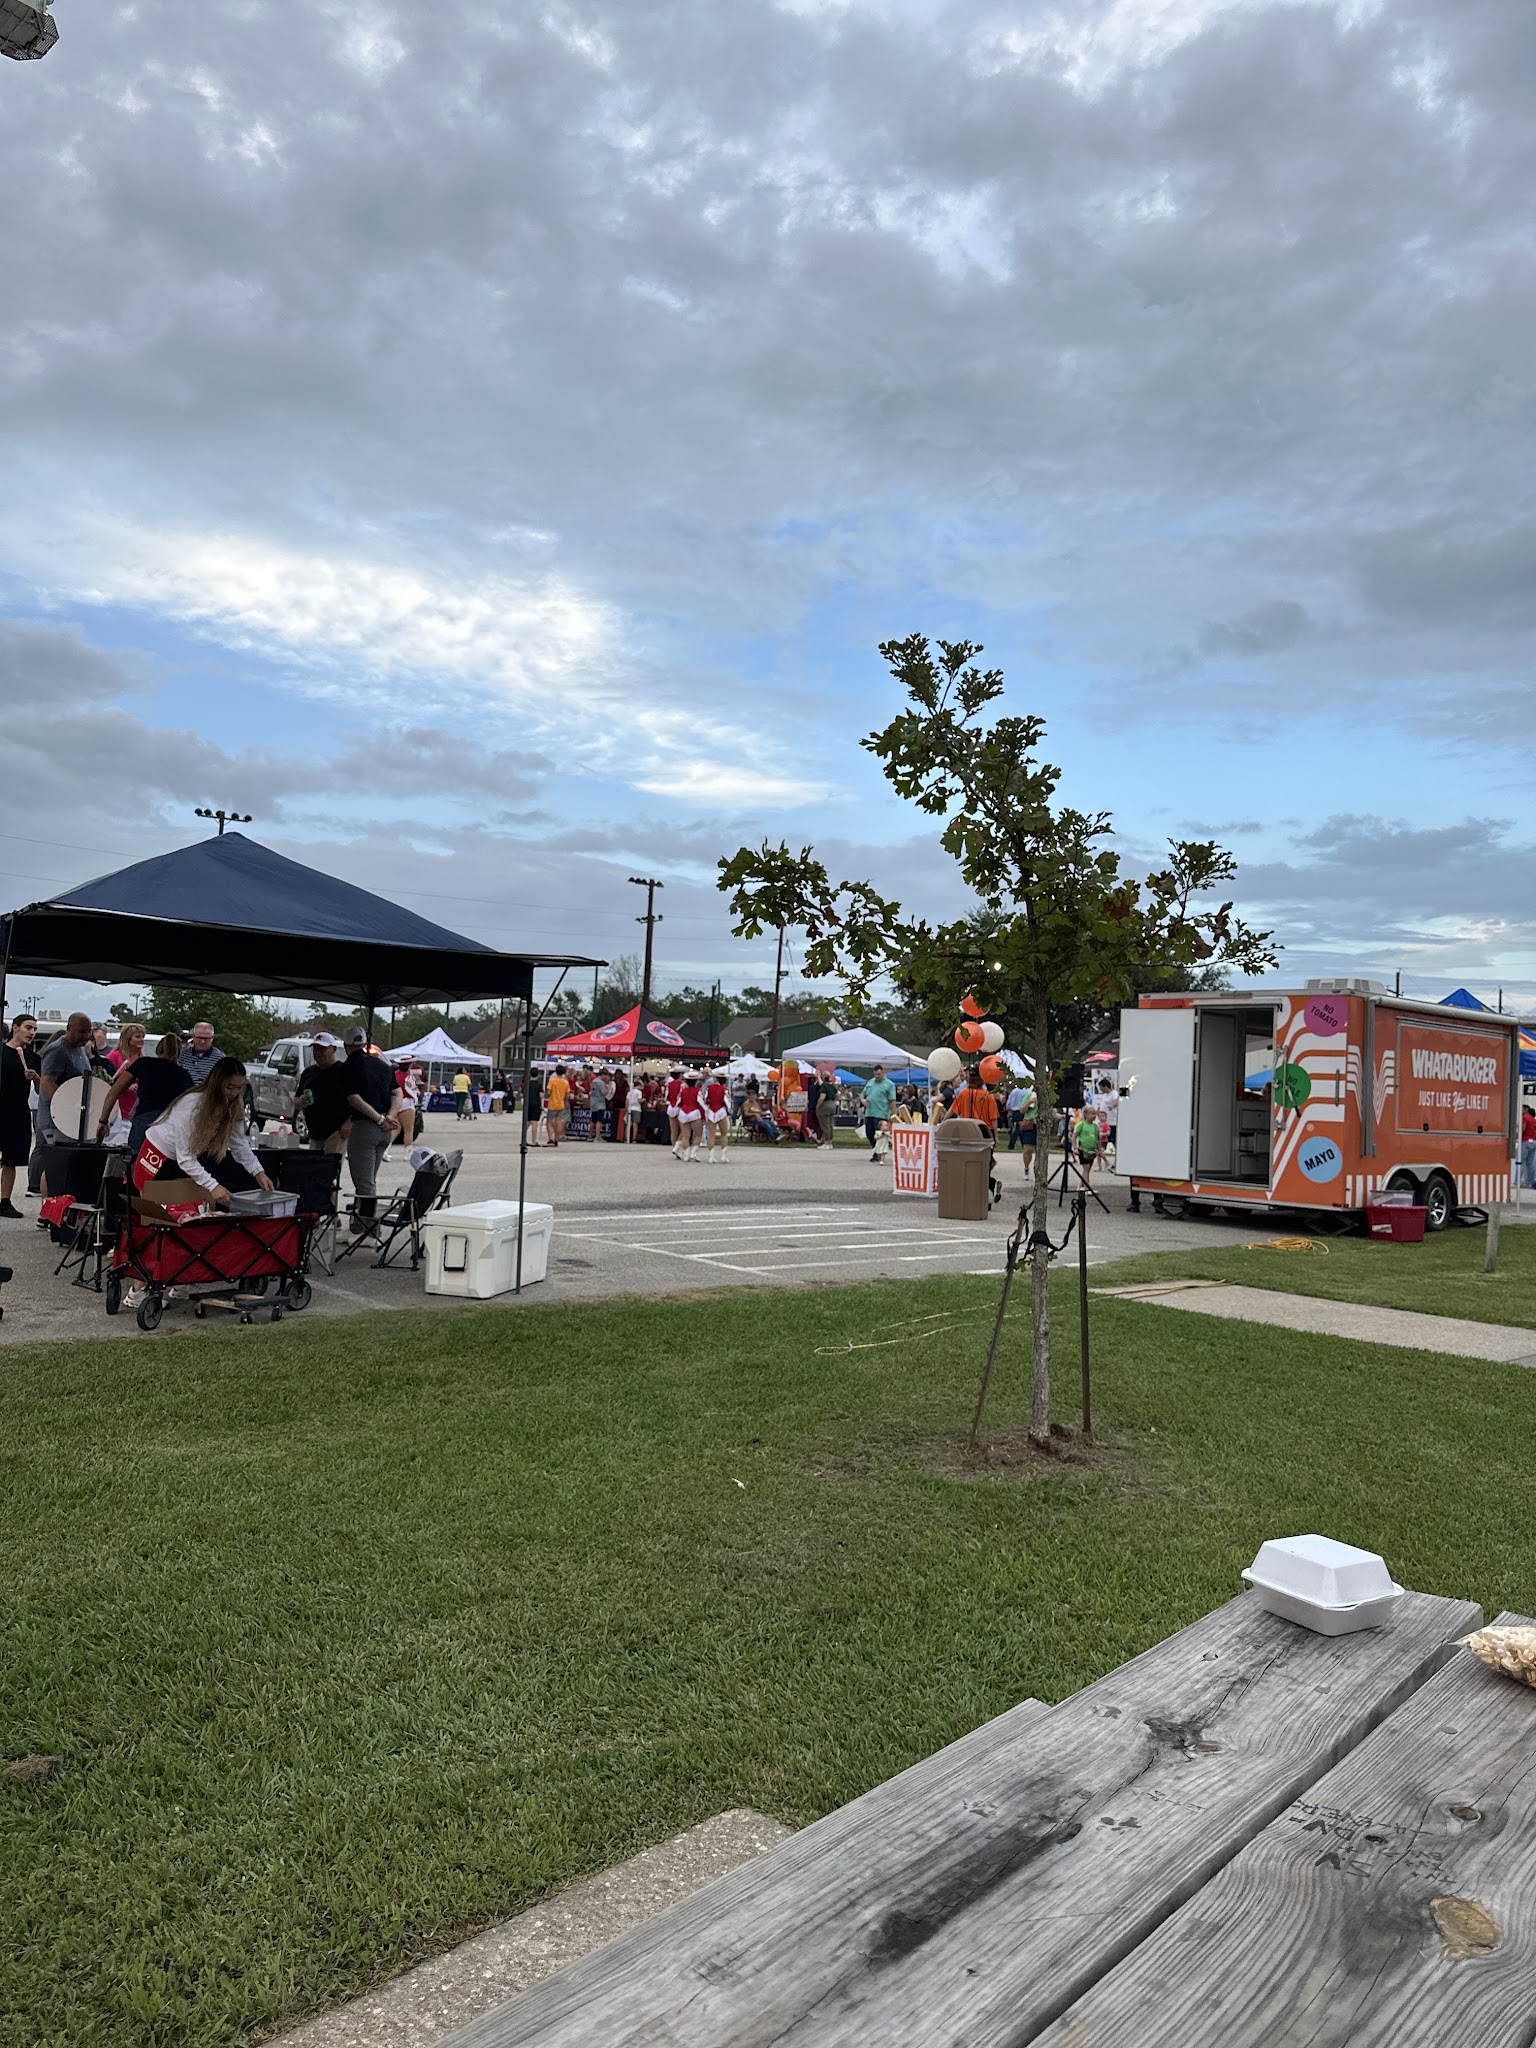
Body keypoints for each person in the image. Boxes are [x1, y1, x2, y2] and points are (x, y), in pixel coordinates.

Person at [136, 1057, 275, 1207]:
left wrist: (258, 1172)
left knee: (189, 1210)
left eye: (239, 1088)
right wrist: (213, 1186)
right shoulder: (192, 1104)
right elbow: (185, 1157)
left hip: (184, 1158)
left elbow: (239, 1144)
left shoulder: (235, 1105)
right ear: (217, 1083)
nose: (234, 1093)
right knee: (159, 1210)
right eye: (229, 1087)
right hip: (158, 1154)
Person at [95, 1031, 194, 1164]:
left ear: (159, 1049)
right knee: (165, 1168)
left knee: (136, 1165)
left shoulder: (144, 1063)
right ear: (179, 1052)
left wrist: (103, 1121)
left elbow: (114, 1092)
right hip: (170, 1125)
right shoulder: (184, 1075)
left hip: (144, 1121)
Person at [341, 1025, 400, 1236]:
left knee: (364, 1184)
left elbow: (353, 1098)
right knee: (369, 1180)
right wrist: (390, 1116)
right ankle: (358, 1227)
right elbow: (397, 1093)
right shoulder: (382, 1064)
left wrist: (378, 1118)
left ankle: (370, 1229)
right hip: (385, 1131)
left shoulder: (349, 1066)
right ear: (365, 1043)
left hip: (365, 1128)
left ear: (346, 1045)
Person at [34, 1010, 96, 1194]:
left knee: (70, 1166)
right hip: (56, 1121)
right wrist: (66, 1107)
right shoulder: (58, 1050)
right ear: (68, 1028)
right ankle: (49, 1206)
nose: (85, 1036)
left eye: (88, 1032)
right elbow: (47, 1082)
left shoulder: (80, 1050)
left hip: (75, 1120)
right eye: (81, 1031)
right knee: (56, 1166)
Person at [0, 1014, 40, 1217]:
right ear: (15, 1028)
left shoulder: (33, 1058)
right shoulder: (3, 1053)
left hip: (18, 1113)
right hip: (1, 1109)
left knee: (11, 1159)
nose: (32, 1032)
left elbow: (42, 1090)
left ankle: (5, 1201)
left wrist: (36, 1077)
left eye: (34, 1029)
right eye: (28, 1027)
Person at [294, 1033, 350, 1157]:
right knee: (314, 1166)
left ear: (333, 1049)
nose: (318, 1053)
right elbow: (296, 1100)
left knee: (330, 1166)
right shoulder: (308, 1073)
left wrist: (348, 1124)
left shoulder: (344, 1071)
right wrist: (301, 1102)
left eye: (322, 1049)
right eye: (315, 1049)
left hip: (336, 1132)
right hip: (315, 1132)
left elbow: (358, 1100)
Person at [106, 1023, 146, 1131]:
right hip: (117, 1109)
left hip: (133, 1110)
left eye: (143, 1037)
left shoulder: (142, 1059)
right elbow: (106, 1081)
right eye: (137, 1037)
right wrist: (126, 1087)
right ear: (128, 1038)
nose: (142, 1040)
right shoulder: (114, 1056)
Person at [861, 1065, 896, 1162]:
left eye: (878, 1074)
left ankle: (878, 1154)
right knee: (869, 1133)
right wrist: (863, 1100)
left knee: (879, 1134)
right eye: (875, 1074)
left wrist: (893, 1115)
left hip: (881, 1113)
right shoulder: (870, 1082)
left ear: (883, 1073)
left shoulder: (889, 1084)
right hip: (869, 1112)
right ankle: (876, 1150)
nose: (876, 1076)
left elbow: (892, 1101)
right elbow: (863, 1094)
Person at [178, 1021, 223, 1087]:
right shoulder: (182, 1055)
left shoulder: (220, 1059)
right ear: (193, 1036)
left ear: (212, 1038)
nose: (202, 1041)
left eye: (206, 1038)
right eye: (199, 1038)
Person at [702, 1069, 731, 1161]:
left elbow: (705, 1099)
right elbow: (727, 1103)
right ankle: (724, 1156)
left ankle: (711, 1156)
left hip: (711, 1111)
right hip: (721, 1111)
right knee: (724, 1134)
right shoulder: (724, 1090)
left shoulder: (709, 1088)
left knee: (711, 1135)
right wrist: (729, 1110)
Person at [675, 1071, 704, 1160]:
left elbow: (679, 1103)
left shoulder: (683, 1091)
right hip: (695, 1112)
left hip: (684, 1113)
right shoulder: (698, 1091)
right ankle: (694, 1154)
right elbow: (701, 1104)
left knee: (685, 1136)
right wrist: (703, 1117)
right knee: (698, 1135)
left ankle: (686, 1155)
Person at [741, 1077, 780, 1141]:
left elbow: (760, 1112)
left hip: (759, 1118)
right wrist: (754, 1114)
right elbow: (746, 1114)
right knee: (766, 1125)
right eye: (751, 1095)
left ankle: (778, 1137)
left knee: (771, 1123)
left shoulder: (755, 1102)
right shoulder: (746, 1103)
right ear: (748, 1096)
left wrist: (768, 1113)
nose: (752, 1097)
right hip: (751, 1120)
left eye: (753, 1095)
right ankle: (774, 1139)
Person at [1094, 1077, 1120, 1164]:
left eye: (1101, 1087)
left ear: (1105, 1086)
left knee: (1113, 1142)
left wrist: (1112, 1106)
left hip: (1112, 1122)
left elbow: (1116, 1101)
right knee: (1101, 1143)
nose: (1100, 1089)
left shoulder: (1114, 1093)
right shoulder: (1105, 1095)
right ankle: (1103, 1162)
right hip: (1103, 1122)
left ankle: (1116, 1161)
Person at [544, 1064, 571, 1144]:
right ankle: (556, 1138)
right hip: (561, 1104)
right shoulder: (565, 1082)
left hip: (552, 1104)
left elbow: (548, 1092)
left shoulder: (552, 1081)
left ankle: (550, 1138)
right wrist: (566, 1102)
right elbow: (567, 1094)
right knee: (558, 1121)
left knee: (549, 1121)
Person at [1074, 1105, 1102, 1182]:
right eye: (1092, 1114)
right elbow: (1074, 1136)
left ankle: (1081, 1185)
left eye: (1095, 1114)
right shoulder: (1081, 1124)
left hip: (1092, 1151)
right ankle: (1087, 1187)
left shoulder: (1096, 1127)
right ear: (1086, 1114)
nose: (1094, 1116)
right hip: (1083, 1150)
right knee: (1086, 1168)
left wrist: (1099, 1150)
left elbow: (1098, 1139)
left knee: (1087, 1170)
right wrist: (1075, 1148)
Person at [590, 1066, 611, 1140]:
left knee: (593, 1120)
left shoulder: (594, 1081)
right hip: (600, 1103)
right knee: (599, 1120)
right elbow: (604, 1093)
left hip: (593, 1102)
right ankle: (597, 1136)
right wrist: (609, 1088)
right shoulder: (601, 1083)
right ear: (603, 1075)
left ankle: (590, 1135)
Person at [664, 1068, 684, 1149]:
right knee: (683, 1130)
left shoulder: (669, 1084)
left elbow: (667, 1097)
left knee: (673, 1131)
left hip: (671, 1107)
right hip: (679, 1107)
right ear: (680, 1075)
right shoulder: (682, 1085)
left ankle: (674, 1147)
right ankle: (677, 1147)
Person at [816, 1077, 838, 1146]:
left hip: (825, 1105)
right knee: (830, 1124)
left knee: (825, 1125)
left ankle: (826, 1142)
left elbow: (822, 1097)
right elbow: (837, 1095)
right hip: (832, 1105)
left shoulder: (824, 1086)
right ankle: (830, 1142)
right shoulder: (832, 1086)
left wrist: (818, 1105)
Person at [611, 1066, 629, 1142]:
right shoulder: (613, 1082)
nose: (618, 1075)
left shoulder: (625, 1083)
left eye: (620, 1074)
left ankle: (620, 1135)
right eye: (617, 1074)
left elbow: (627, 1090)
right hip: (615, 1100)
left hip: (622, 1100)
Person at [1523, 1101, 1536, 1190]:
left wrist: (1517, 1135)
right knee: (1530, 1163)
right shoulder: (1533, 1119)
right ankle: (1531, 1182)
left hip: (1525, 1140)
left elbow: (1523, 1128)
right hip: (1533, 1141)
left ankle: (1524, 1181)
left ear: (1526, 1109)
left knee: (1522, 1161)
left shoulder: (1525, 1118)